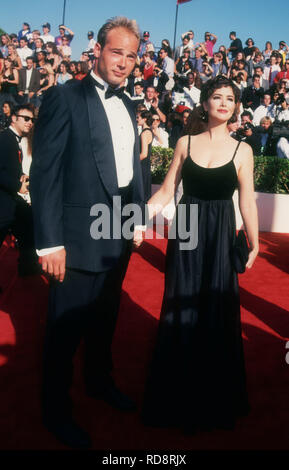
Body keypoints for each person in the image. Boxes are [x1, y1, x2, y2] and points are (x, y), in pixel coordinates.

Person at [30, 16, 145, 449]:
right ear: (96, 50)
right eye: (117, 52)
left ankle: (99, 381)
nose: (124, 62)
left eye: (132, 55)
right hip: (74, 238)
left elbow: (130, 167)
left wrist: (134, 218)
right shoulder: (64, 97)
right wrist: (49, 241)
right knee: (63, 330)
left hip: (116, 232)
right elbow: (45, 173)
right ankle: (54, 411)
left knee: (104, 319)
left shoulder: (130, 104)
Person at [135, 75, 259, 433]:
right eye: (216, 97)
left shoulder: (243, 150)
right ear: (204, 103)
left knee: (215, 303)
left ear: (236, 107)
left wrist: (255, 242)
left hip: (221, 230)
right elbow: (167, 189)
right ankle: (175, 393)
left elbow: (247, 201)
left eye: (230, 98)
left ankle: (213, 396)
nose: (223, 103)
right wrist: (138, 220)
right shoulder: (184, 142)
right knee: (181, 298)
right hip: (187, 224)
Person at [0, 104, 39, 276]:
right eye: (26, 118)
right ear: (14, 118)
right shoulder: (4, 139)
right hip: (3, 200)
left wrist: (21, 175)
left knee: (29, 225)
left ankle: (28, 267)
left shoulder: (14, 139)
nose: (30, 123)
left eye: (32, 120)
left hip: (12, 199)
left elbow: (9, 168)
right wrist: (17, 185)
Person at [137, 110, 153, 202]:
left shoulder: (144, 133)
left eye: (138, 117)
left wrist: (132, 163)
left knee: (141, 196)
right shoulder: (148, 132)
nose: (137, 119)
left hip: (142, 167)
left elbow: (143, 154)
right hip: (145, 167)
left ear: (144, 119)